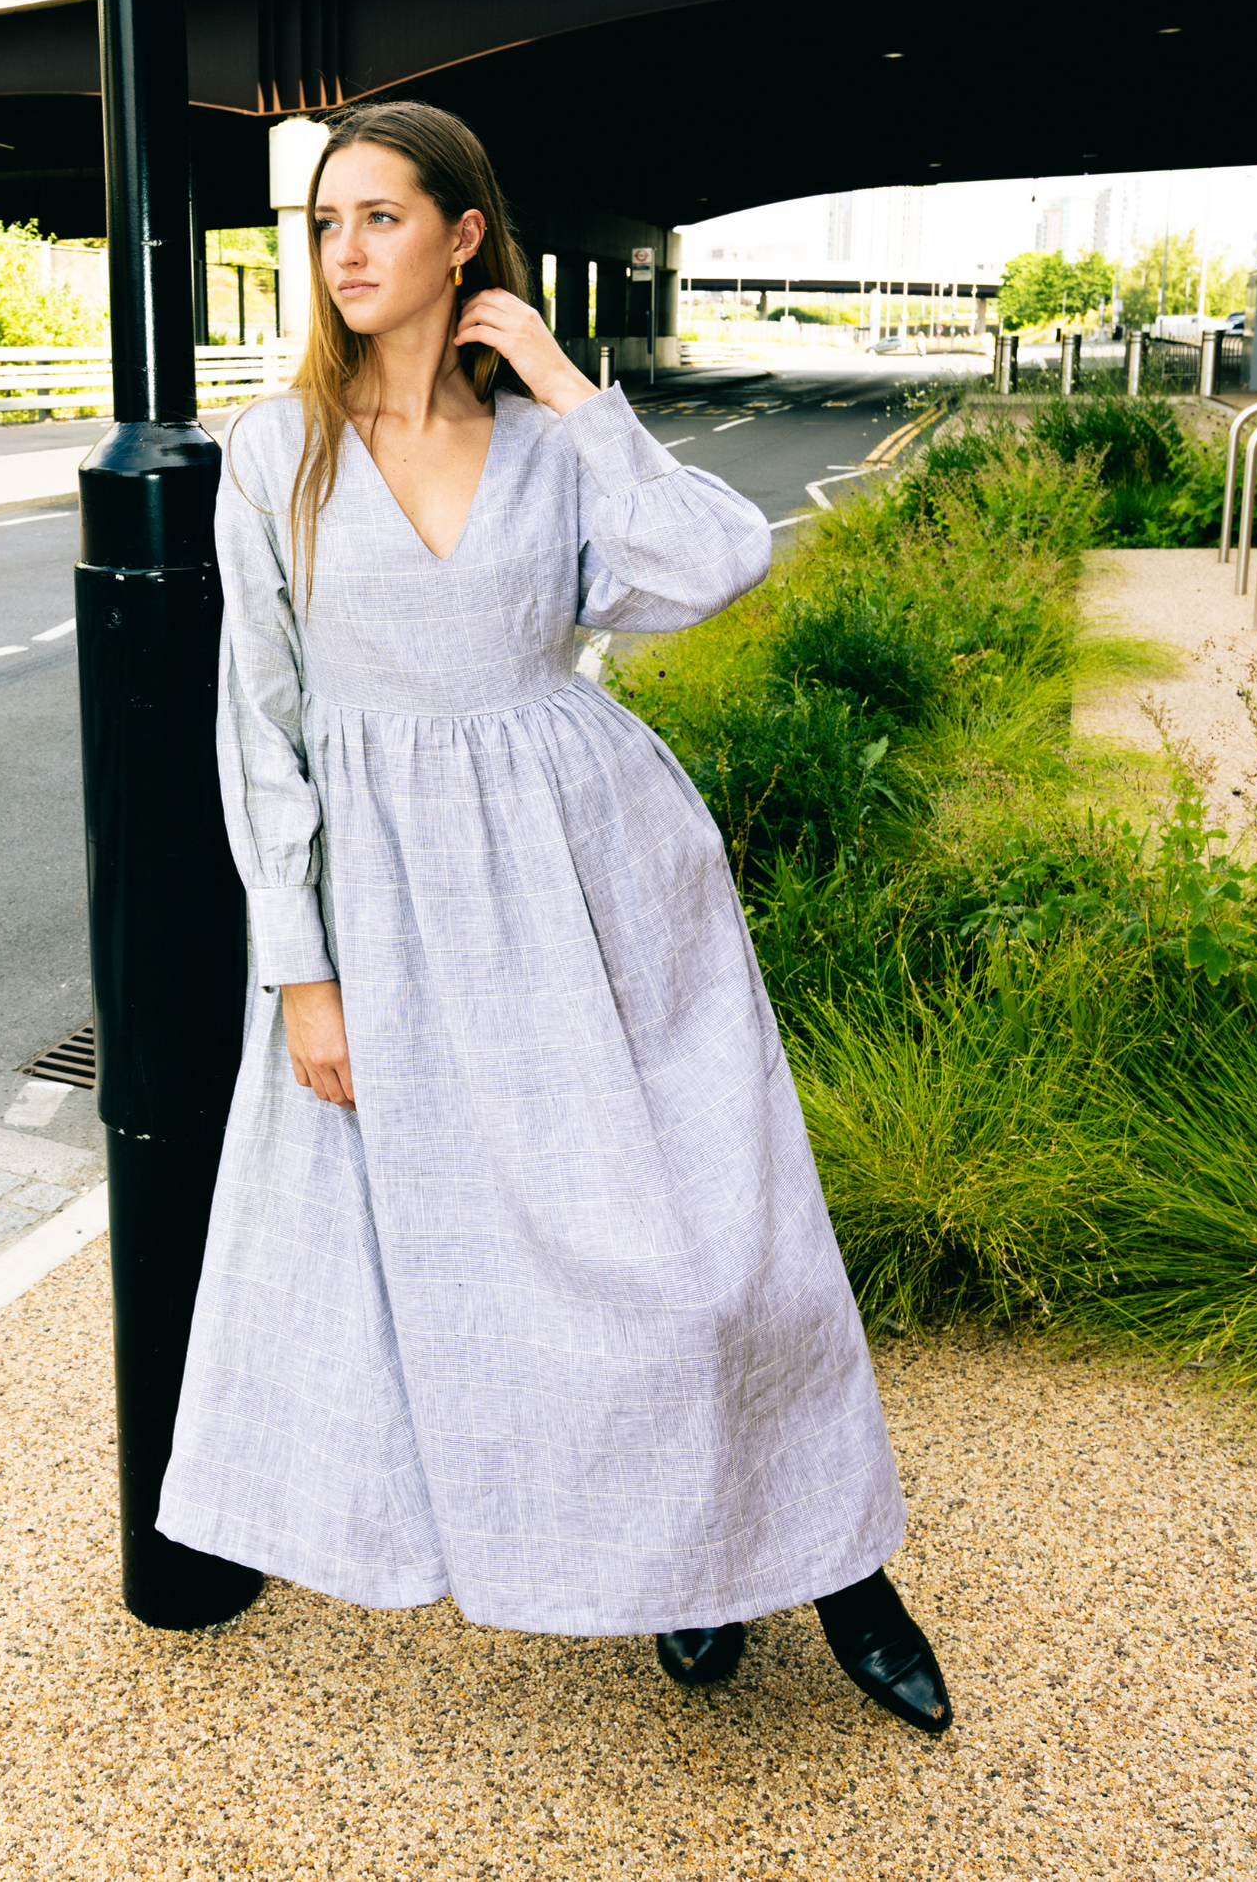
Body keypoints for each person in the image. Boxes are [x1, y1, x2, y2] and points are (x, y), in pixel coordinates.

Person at [158, 102, 952, 1736]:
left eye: (383, 217)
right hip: (400, 917)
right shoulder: (275, 448)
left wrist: (579, 393)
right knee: (535, 1282)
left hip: (611, 883)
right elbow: (262, 724)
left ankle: (839, 1566)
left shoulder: (544, 442)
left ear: (464, 236)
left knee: (720, 1255)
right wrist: (299, 974)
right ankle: (690, 1564)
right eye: (325, 224)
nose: (346, 252)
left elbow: (712, 562)